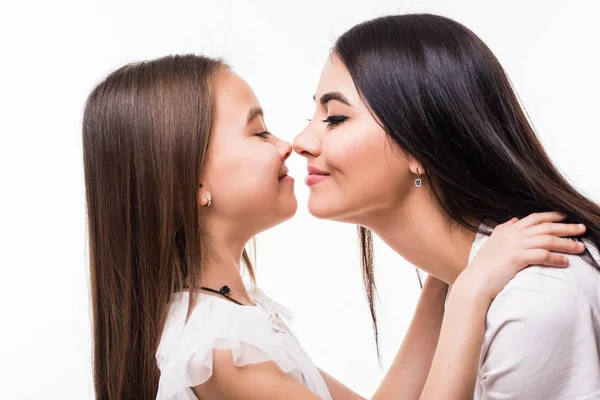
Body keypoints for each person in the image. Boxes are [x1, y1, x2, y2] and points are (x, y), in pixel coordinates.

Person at [82, 54, 585, 400]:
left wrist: (446, 275)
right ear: (190, 182)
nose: (289, 144)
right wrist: (472, 291)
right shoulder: (215, 351)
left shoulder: (230, 319)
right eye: (259, 132)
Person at [294, 13, 600, 399]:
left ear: (419, 146)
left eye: (335, 118)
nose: (300, 141)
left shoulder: (535, 298)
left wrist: (467, 293)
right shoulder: (470, 279)